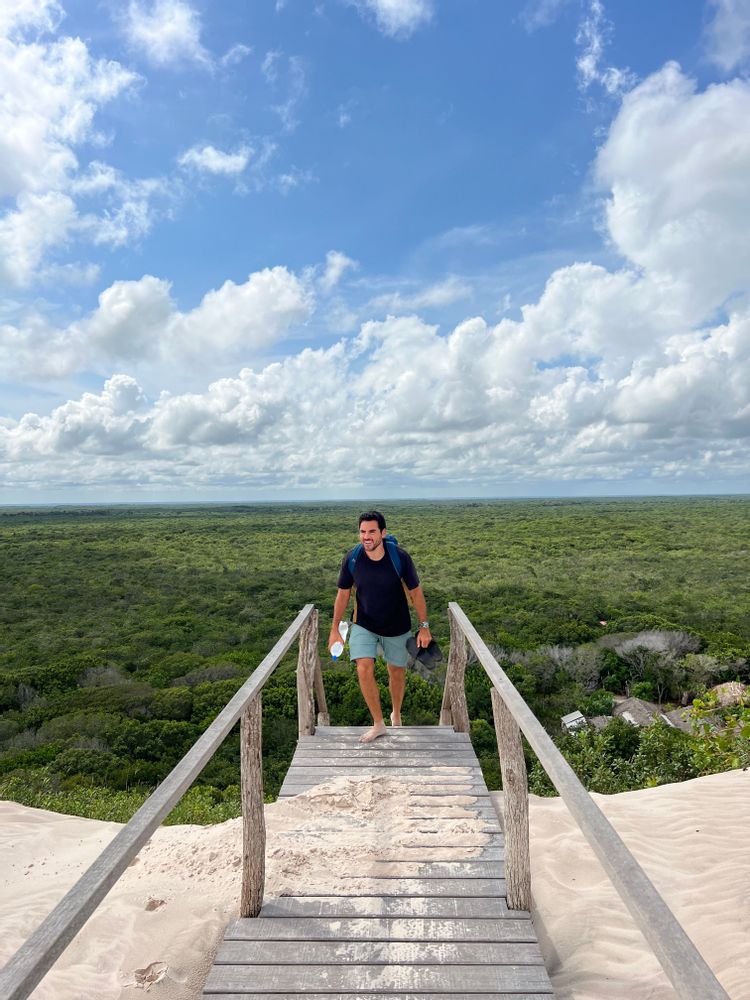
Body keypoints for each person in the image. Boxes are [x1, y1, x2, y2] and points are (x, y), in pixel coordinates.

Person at [328, 510, 432, 743]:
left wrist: (424, 627)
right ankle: (378, 723)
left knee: (396, 671)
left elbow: (416, 593)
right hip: (364, 623)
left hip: (397, 624)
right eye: (363, 532)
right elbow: (343, 595)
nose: (367, 536)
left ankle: (396, 712)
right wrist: (335, 629)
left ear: (382, 533)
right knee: (363, 667)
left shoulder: (400, 558)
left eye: (372, 531)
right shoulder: (352, 558)